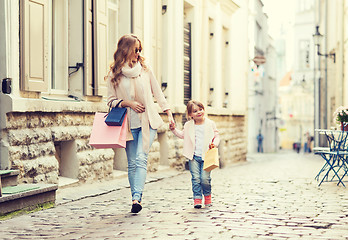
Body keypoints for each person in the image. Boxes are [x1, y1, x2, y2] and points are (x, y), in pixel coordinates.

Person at [106, 34, 174, 213]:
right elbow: (110, 101)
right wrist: (128, 103)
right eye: (135, 49)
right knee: (132, 163)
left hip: (148, 122)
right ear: (125, 50)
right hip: (127, 125)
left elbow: (158, 94)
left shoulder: (145, 69)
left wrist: (169, 114)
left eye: (139, 50)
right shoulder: (114, 74)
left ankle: (137, 198)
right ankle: (135, 198)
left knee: (141, 159)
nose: (138, 53)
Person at [169, 100, 220, 208]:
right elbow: (182, 135)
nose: (199, 112)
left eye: (200, 109)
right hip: (193, 156)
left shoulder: (210, 123)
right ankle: (197, 198)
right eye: (195, 111)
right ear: (190, 114)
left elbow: (217, 136)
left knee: (205, 179)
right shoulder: (188, 125)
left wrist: (214, 144)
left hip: (207, 156)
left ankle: (207, 196)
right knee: (196, 178)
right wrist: (173, 130)